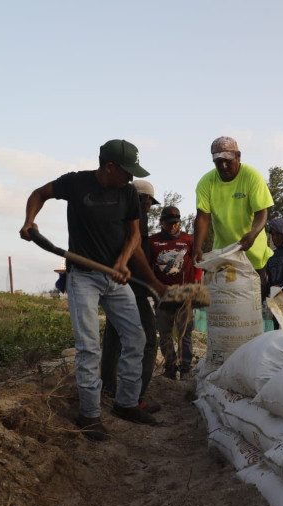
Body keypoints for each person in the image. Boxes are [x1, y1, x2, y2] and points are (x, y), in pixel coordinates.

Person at [20, 139, 165, 442]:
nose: (130, 178)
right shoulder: (76, 183)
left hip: (114, 278)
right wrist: (29, 221)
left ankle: (126, 404)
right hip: (83, 277)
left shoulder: (127, 192)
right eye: (127, 171)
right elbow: (39, 194)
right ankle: (89, 414)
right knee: (89, 348)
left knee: (136, 338)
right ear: (110, 167)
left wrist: (123, 262)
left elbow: (135, 233)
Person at [100, 179, 161, 413]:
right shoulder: (136, 215)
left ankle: (108, 390)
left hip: (114, 284)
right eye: (149, 202)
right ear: (143, 198)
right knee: (146, 340)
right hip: (133, 286)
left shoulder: (115, 214)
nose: (149, 207)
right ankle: (136, 397)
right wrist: (151, 284)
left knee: (114, 341)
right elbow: (135, 251)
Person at [192, 136, 274, 298]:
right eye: (218, 162)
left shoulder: (252, 177)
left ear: (238, 156)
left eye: (228, 161)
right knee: (227, 305)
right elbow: (203, 218)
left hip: (253, 257)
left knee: (252, 307)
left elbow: (261, 213)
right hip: (225, 258)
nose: (223, 166)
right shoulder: (206, 182)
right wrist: (197, 247)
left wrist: (253, 234)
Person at [148, 206, 201, 379]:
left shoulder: (188, 240)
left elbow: (197, 263)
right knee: (165, 333)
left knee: (185, 332)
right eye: (169, 223)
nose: (173, 227)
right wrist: (155, 288)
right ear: (161, 222)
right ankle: (170, 367)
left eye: (176, 223)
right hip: (162, 295)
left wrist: (195, 285)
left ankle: (185, 368)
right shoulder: (152, 242)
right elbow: (148, 267)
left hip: (184, 294)